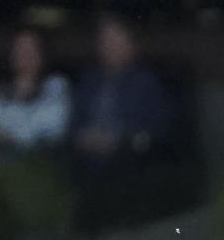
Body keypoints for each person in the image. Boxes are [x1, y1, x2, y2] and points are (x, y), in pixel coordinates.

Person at [71, 17, 170, 165]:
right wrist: (82, 137)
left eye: (115, 40)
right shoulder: (89, 81)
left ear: (131, 44)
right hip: (85, 158)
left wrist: (119, 141)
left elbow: (156, 129)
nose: (109, 47)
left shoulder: (147, 83)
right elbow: (74, 121)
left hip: (128, 160)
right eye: (104, 41)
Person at [0, 28, 72, 152]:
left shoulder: (56, 86)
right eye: (19, 50)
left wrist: (14, 138)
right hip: (0, 159)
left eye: (30, 50)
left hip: (40, 158)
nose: (25, 55)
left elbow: (54, 128)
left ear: (42, 54)